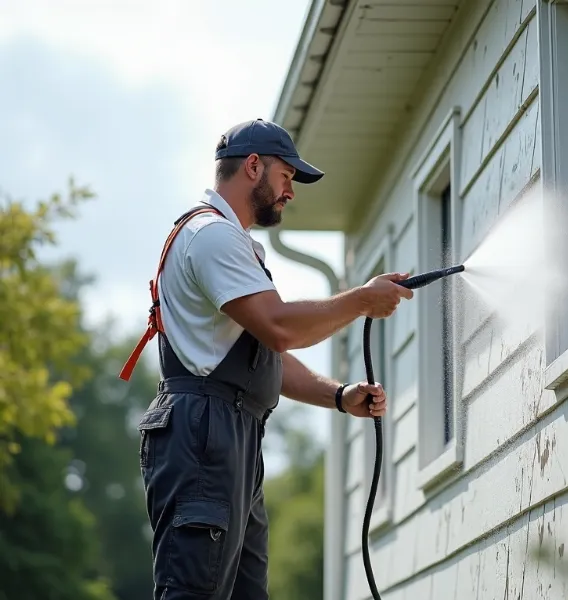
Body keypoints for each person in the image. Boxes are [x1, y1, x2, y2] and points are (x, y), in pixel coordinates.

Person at [119, 118, 413, 600]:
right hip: (204, 436)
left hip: (228, 434)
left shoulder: (230, 243)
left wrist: (338, 396)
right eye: (286, 177)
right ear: (253, 166)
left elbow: (260, 353)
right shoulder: (210, 236)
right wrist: (361, 300)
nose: (290, 192)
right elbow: (278, 328)